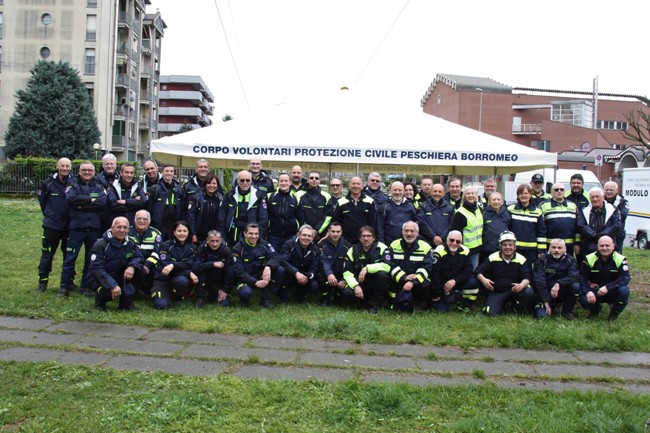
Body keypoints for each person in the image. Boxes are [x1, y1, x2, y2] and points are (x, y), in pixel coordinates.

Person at [59, 161, 107, 297]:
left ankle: (86, 287)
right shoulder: (72, 184)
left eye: (90, 170)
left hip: (93, 228)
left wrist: (81, 204)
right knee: (70, 258)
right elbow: (70, 200)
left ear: (94, 172)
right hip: (77, 227)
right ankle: (64, 287)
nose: (87, 172)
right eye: (84, 170)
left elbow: (102, 202)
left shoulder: (99, 185)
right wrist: (91, 200)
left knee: (90, 259)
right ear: (79, 171)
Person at [37, 157, 75, 292]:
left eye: (67, 166)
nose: (65, 168)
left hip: (70, 226)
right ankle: (43, 281)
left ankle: (69, 282)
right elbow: (43, 203)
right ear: (57, 167)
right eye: (62, 166)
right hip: (51, 226)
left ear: (70, 168)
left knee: (69, 255)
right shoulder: (47, 183)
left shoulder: (75, 182)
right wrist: (50, 215)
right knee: (47, 254)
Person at [89, 217, 143, 311]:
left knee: (141, 271)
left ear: (129, 229)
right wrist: (112, 285)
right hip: (101, 280)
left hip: (119, 277)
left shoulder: (130, 243)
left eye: (125, 227)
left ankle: (126, 303)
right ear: (112, 228)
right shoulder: (101, 245)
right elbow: (96, 269)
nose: (122, 230)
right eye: (119, 227)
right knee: (108, 292)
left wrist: (132, 266)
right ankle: (100, 302)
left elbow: (139, 257)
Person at [475, 231, 534, 317]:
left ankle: (516, 308)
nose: (508, 247)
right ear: (500, 246)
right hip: (497, 291)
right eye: (505, 245)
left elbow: (527, 277)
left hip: (515, 291)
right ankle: (502, 306)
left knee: (528, 292)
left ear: (515, 247)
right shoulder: (493, 257)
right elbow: (478, 271)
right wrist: (484, 280)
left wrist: (521, 285)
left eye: (510, 245)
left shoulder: (521, 259)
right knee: (491, 314)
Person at [578, 235, 630, 321]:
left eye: (607, 245)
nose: (604, 248)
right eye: (601, 245)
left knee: (624, 291)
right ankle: (595, 310)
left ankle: (613, 315)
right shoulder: (589, 258)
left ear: (613, 246)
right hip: (595, 290)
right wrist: (588, 292)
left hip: (612, 291)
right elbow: (582, 278)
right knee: (583, 298)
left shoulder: (620, 259)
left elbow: (625, 278)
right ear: (597, 246)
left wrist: (608, 287)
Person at [231, 222, 283, 308]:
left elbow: (276, 257)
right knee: (246, 292)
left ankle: (266, 299)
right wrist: (255, 282)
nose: (254, 236)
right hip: (245, 278)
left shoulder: (264, 244)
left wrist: (268, 266)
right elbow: (239, 272)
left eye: (256, 234)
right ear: (245, 233)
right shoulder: (237, 249)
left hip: (260, 275)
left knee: (280, 270)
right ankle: (244, 300)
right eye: (251, 233)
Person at [342, 226, 391, 313]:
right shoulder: (352, 250)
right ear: (359, 238)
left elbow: (387, 266)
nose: (366, 238)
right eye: (363, 236)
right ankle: (362, 302)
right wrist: (355, 286)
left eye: (369, 236)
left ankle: (376, 304)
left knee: (382, 274)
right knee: (347, 293)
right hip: (360, 282)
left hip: (375, 282)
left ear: (374, 238)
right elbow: (347, 272)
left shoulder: (382, 248)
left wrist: (367, 268)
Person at [151, 220, 198, 310]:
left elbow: (190, 264)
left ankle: (177, 297)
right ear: (174, 232)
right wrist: (188, 272)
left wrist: (173, 265)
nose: (182, 233)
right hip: (162, 278)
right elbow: (165, 264)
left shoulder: (193, 248)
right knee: (161, 306)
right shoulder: (165, 245)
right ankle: (161, 294)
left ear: (188, 233)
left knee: (182, 281)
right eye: (179, 231)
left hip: (179, 278)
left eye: (185, 231)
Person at [388, 221, 433, 312]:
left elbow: (426, 268)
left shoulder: (426, 247)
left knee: (425, 284)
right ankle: (393, 303)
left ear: (417, 233)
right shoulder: (394, 245)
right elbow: (390, 264)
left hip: (416, 280)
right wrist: (404, 277)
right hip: (399, 279)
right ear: (402, 232)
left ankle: (419, 305)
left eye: (412, 231)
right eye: (406, 231)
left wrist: (412, 282)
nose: (409, 234)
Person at [430, 230, 478, 312]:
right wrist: (437, 293)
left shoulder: (465, 251)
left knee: (473, 282)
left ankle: (464, 304)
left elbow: (468, 270)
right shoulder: (439, 251)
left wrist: (455, 280)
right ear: (447, 240)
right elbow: (435, 274)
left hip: (456, 281)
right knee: (442, 310)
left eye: (458, 241)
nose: (454, 243)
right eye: (451, 240)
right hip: (442, 284)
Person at [533, 239, 580, 320]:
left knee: (576, 286)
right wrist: (546, 301)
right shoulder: (542, 260)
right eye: (553, 247)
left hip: (562, 291)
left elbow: (574, 276)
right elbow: (539, 281)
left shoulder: (571, 260)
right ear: (549, 248)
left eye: (559, 248)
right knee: (541, 317)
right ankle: (547, 306)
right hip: (545, 294)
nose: (556, 250)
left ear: (565, 249)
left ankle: (566, 311)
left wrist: (558, 284)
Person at [220, 170, 269, 247]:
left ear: (251, 181)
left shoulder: (259, 196)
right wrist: (223, 237)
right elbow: (222, 218)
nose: (245, 183)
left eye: (247, 180)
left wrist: (259, 238)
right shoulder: (229, 195)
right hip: (232, 237)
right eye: (242, 180)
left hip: (251, 237)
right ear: (237, 181)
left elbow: (263, 220)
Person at [280, 225, 321, 303]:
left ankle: (299, 294)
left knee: (314, 285)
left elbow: (315, 267)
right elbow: (283, 261)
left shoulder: (316, 249)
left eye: (309, 236)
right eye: (304, 235)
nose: (306, 238)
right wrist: (296, 272)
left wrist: (308, 277)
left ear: (312, 237)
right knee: (281, 271)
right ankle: (283, 296)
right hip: (291, 274)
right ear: (298, 235)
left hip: (305, 276)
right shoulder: (289, 244)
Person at [507, 184, 546, 267]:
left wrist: (541, 250)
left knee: (529, 273)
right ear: (517, 195)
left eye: (526, 193)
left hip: (531, 250)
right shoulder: (511, 209)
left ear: (530, 194)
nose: (523, 195)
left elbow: (541, 232)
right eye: (521, 193)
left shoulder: (537, 211)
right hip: (514, 248)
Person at [192, 230, 234, 308]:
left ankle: (217, 294)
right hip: (204, 279)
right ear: (207, 240)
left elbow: (230, 273)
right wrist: (212, 264)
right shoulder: (201, 248)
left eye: (217, 241)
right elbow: (195, 267)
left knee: (225, 304)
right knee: (202, 272)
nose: (214, 244)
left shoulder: (226, 251)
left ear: (221, 240)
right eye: (212, 241)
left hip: (218, 281)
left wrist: (225, 290)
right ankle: (200, 296)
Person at [540, 183, 583, 256]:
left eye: (561, 189)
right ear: (551, 193)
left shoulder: (572, 205)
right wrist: (542, 248)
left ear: (564, 192)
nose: (559, 191)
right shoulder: (543, 205)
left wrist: (577, 243)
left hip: (569, 246)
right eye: (556, 190)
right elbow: (541, 228)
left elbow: (577, 226)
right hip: (552, 246)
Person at [578, 187, 621, 259]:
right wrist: (594, 235)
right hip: (588, 246)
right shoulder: (584, 211)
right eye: (592, 197)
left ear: (603, 197)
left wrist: (602, 236)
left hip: (607, 246)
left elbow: (616, 225)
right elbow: (581, 225)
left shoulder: (613, 209)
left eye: (597, 196)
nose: (595, 199)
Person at [128, 209, 162, 297]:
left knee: (157, 269)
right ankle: (130, 292)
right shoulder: (127, 233)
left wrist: (147, 264)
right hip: (131, 263)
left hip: (149, 263)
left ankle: (148, 291)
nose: (142, 221)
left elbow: (157, 252)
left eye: (145, 219)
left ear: (149, 221)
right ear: (134, 220)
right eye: (139, 219)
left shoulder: (156, 233)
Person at [333, 176, 377, 244]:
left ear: (362, 186)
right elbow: (336, 222)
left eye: (358, 184)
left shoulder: (370, 201)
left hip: (364, 240)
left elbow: (373, 223)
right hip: (345, 241)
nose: (356, 186)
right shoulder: (341, 202)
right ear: (349, 186)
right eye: (353, 184)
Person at [318, 222, 352, 305]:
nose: (335, 234)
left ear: (341, 232)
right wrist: (329, 274)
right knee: (319, 275)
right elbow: (322, 261)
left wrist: (345, 279)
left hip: (341, 276)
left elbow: (349, 264)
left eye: (338, 231)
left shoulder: (348, 246)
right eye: (333, 231)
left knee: (348, 293)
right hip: (327, 275)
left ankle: (338, 295)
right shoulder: (321, 244)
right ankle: (325, 297)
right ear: (328, 231)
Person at [296, 171, 335, 243]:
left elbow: (328, 216)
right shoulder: (298, 195)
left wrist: (317, 230)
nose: (314, 179)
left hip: (320, 235)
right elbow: (297, 214)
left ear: (319, 181)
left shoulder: (326, 196)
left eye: (316, 178)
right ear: (307, 180)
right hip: (304, 234)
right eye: (311, 178)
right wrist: (306, 230)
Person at [147, 164, 184, 239]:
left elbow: (182, 206)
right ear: (162, 172)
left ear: (174, 173)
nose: (169, 173)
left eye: (171, 171)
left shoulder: (179, 189)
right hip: (159, 225)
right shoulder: (155, 189)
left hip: (174, 225)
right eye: (167, 171)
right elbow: (148, 207)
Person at [267, 172, 300, 252]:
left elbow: (300, 218)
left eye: (286, 181)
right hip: (274, 236)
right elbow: (265, 216)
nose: (283, 183)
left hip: (291, 236)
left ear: (290, 183)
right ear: (278, 183)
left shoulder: (296, 198)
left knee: (287, 259)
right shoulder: (270, 197)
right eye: (281, 181)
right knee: (273, 258)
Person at [451, 185, 483, 268]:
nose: (471, 195)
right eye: (468, 193)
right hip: (466, 250)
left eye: (473, 193)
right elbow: (456, 232)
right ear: (464, 196)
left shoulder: (479, 209)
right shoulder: (460, 213)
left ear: (476, 195)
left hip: (478, 248)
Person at [187, 174, 222, 244]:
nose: (211, 185)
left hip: (215, 236)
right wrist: (193, 233)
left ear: (217, 186)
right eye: (209, 183)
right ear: (205, 185)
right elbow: (191, 217)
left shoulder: (221, 199)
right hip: (200, 236)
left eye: (214, 183)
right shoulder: (197, 198)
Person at [417, 183, 454, 247]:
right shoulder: (423, 206)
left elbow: (452, 224)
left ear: (443, 193)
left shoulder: (450, 207)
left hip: (444, 242)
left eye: (440, 192)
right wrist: (433, 237)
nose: (437, 193)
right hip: (427, 242)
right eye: (435, 191)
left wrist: (442, 237)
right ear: (431, 192)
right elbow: (422, 223)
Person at [480, 192, 510, 263]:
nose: (496, 201)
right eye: (494, 200)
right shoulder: (484, 214)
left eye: (498, 199)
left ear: (502, 202)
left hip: (502, 250)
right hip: (487, 250)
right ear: (489, 202)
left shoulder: (507, 214)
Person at [95, 153, 119, 232]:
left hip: (117, 214)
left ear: (115, 165)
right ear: (103, 165)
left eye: (111, 164)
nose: (109, 166)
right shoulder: (96, 179)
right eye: (107, 164)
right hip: (101, 216)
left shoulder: (120, 179)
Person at [603, 181, 629, 252]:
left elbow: (623, 216)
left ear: (617, 191)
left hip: (617, 233)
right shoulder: (600, 200)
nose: (609, 192)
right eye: (606, 189)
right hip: (603, 231)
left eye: (611, 190)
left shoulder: (623, 202)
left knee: (616, 255)